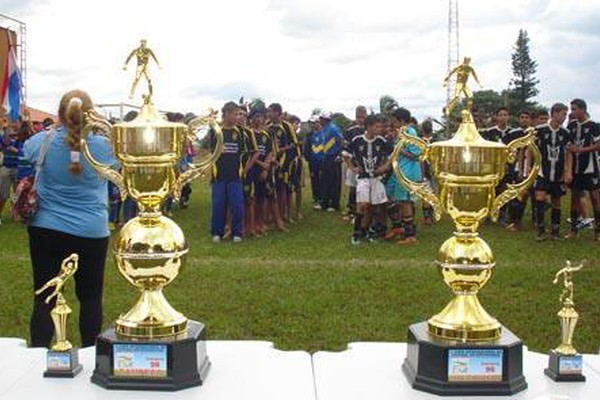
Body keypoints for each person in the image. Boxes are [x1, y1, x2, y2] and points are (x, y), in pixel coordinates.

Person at [24, 89, 116, 348]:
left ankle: (38, 353)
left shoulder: (41, 141)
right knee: (90, 297)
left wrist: (56, 129)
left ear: (61, 113)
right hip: (91, 230)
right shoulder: (103, 147)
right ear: (91, 114)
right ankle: (89, 353)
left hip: (46, 228)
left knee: (44, 295)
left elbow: (26, 152)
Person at [345, 114, 390, 244]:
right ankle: (356, 233)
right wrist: (352, 167)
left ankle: (368, 231)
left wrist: (384, 167)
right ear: (369, 127)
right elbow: (345, 154)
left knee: (374, 206)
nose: (380, 128)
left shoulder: (381, 141)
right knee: (362, 204)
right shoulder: (357, 140)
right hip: (363, 178)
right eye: (377, 126)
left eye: (381, 126)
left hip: (376, 178)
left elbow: (391, 156)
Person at [210, 102, 247, 243]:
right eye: (235, 114)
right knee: (218, 205)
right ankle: (217, 232)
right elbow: (212, 152)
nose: (237, 117)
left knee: (237, 205)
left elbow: (244, 153)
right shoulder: (216, 131)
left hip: (235, 176)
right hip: (219, 175)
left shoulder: (241, 132)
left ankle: (237, 232)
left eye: (239, 114)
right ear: (226, 114)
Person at [532, 103, 570, 241]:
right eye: (563, 114)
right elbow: (531, 149)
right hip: (543, 171)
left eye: (566, 114)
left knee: (556, 201)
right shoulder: (540, 130)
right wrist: (529, 169)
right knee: (540, 198)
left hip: (558, 172)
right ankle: (541, 230)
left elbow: (568, 153)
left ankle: (555, 231)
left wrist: (567, 171)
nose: (565, 117)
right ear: (554, 113)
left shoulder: (565, 133)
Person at [565, 99, 600, 241]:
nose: (572, 112)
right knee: (575, 197)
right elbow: (569, 145)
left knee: (595, 198)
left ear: (583, 110)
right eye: (571, 109)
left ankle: (598, 232)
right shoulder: (572, 126)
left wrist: (581, 150)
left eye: (574, 109)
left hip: (590, 167)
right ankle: (574, 230)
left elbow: (598, 145)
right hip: (576, 168)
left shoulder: (594, 126)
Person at [386, 108, 422, 244]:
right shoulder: (399, 133)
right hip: (398, 171)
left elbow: (416, 154)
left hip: (407, 172)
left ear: (401, 120)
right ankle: (398, 227)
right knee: (388, 195)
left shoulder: (410, 132)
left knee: (405, 202)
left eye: (394, 120)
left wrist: (399, 151)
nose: (392, 122)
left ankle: (410, 235)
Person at [505, 110, 532, 232]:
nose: (524, 119)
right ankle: (514, 220)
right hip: (516, 168)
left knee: (531, 195)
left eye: (527, 117)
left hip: (532, 167)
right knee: (516, 195)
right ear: (518, 119)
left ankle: (535, 220)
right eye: (522, 117)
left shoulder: (534, 133)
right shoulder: (512, 133)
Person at [343, 106, 367, 220]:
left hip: (367, 165)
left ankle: (363, 213)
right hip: (354, 164)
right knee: (353, 188)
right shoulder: (350, 131)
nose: (360, 120)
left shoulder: (370, 130)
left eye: (363, 117)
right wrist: (350, 166)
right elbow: (346, 150)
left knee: (363, 189)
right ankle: (351, 210)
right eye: (358, 117)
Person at [318, 112, 344, 212]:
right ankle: (325, 202)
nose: (319, 120)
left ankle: (334, 204)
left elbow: (341, 140)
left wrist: (339, 154)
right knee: (325, 180)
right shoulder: (324, 129)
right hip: (326, 156)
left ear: (325, 119)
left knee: (334, 182)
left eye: (321, 118)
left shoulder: (333, 128)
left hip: (334, 156)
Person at [0, 118, 22, 220]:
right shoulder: (4, 135)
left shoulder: (23, 136)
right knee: (2, 194)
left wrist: (16, 150)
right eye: (12, 121)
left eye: (16, 121)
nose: (14, 123)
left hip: (18, 167)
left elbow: (24, 153)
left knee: (18, 194)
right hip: (6, 167)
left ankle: (15, 213)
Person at [305, 115, 323, 208]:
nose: (313, 124)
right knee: (314, 179)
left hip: (323, 160)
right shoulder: (309, 135)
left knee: (322, 179)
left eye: (315, 122)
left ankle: (323, 197)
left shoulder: (324, 133)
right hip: (313, 161)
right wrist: (308, 158)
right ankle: (316, 197)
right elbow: (306, 147)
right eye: (312, 123)